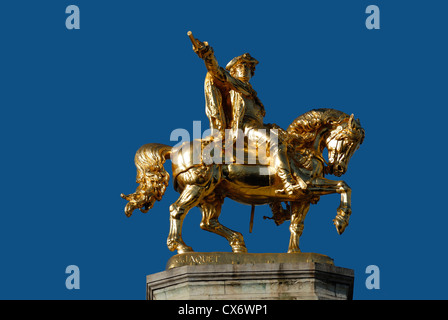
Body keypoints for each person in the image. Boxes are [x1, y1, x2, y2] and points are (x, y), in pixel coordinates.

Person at [191, 35, 306, 195]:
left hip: (256, 128)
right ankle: (286, 182)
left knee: (288, 144)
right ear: (233, 71)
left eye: (248, 67)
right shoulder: (234, 85)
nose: (244, 69)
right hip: (245, 129)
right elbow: (217, 72)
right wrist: (209, 57)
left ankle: (278, 201)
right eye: (240, 66)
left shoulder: (251, 92)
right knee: (275, 142)